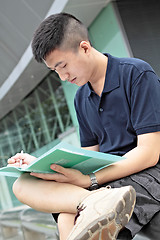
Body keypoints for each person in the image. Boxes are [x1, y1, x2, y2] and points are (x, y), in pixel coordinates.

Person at [8, 12, 160, 240]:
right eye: (55, 71)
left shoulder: (136, 75)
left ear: (85, 48)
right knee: (22, 185)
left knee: (70, 218)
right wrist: (41, 166)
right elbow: (89, 158)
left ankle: (93, 203)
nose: (62, 76)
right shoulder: (81, 98)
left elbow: (149, 153)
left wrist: (91, 181)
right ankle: (90, 202)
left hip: (145, 174)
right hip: (105, 182)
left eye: (63, 65)